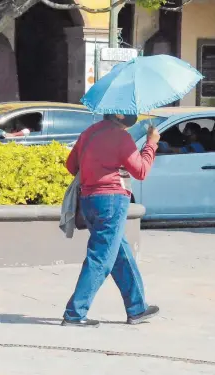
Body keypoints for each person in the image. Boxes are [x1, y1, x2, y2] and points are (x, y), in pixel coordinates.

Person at [61, 113, 160, 328]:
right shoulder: (121, 137)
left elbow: (71, 166)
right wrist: (151, 144)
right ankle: (75, 313)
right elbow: (141, 170)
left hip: (88, 200)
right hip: (112, 200)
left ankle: (137, 308)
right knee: (101, 257)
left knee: (120, 254)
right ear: (123, 116)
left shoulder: (88, 133)